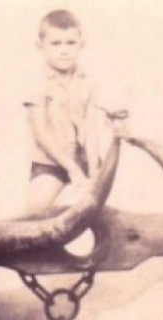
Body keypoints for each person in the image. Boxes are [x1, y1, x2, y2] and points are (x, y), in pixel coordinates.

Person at [24, 9, 128, 212]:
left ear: (81, 44)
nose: (64, 50)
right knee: (34, 211)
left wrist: (93, 173)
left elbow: (90, 130)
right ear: (40, 47)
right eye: (56, 43)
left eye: (70, 43)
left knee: (97, 208)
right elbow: (41, 134)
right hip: (51, 163)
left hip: (83, 160)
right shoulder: (37, 83)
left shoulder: (86, 81)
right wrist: (72, 170)